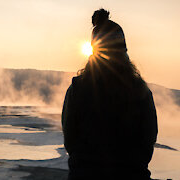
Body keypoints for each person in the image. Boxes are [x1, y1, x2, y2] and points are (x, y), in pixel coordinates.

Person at [62, 9, 158, 179]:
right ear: (123, 52)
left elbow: (70, 139)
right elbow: (148, 140)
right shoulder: (140, 91)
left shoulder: (77, 90)